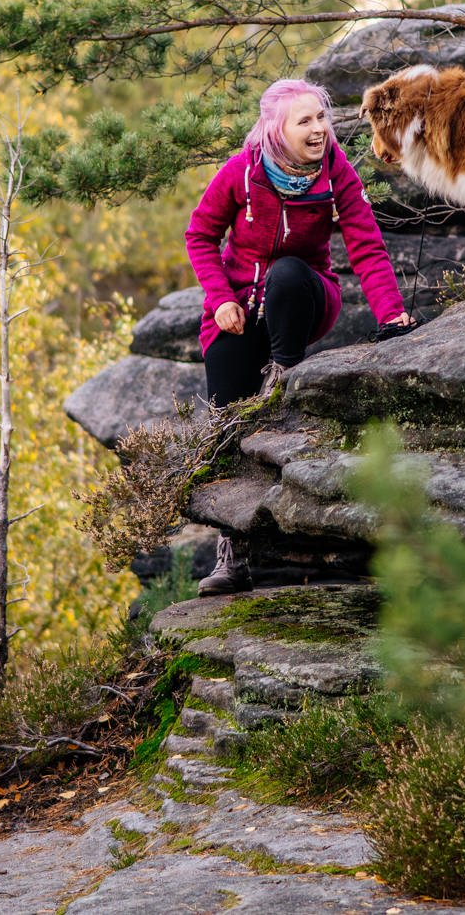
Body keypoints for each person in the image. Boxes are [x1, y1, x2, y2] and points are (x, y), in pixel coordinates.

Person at [185, 78, 414, 594]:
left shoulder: (337, 173)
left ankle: (283, 374)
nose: (318, 130)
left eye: (322, 118)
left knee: (288, 271)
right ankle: (233, 555)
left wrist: (392, 316)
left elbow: (367, 247)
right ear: (277, 130)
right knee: (225, 424)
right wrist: (220, 297)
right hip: (238, 306)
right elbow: (199, 234)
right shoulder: (242, 171)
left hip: (304, 299)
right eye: (305, 121)